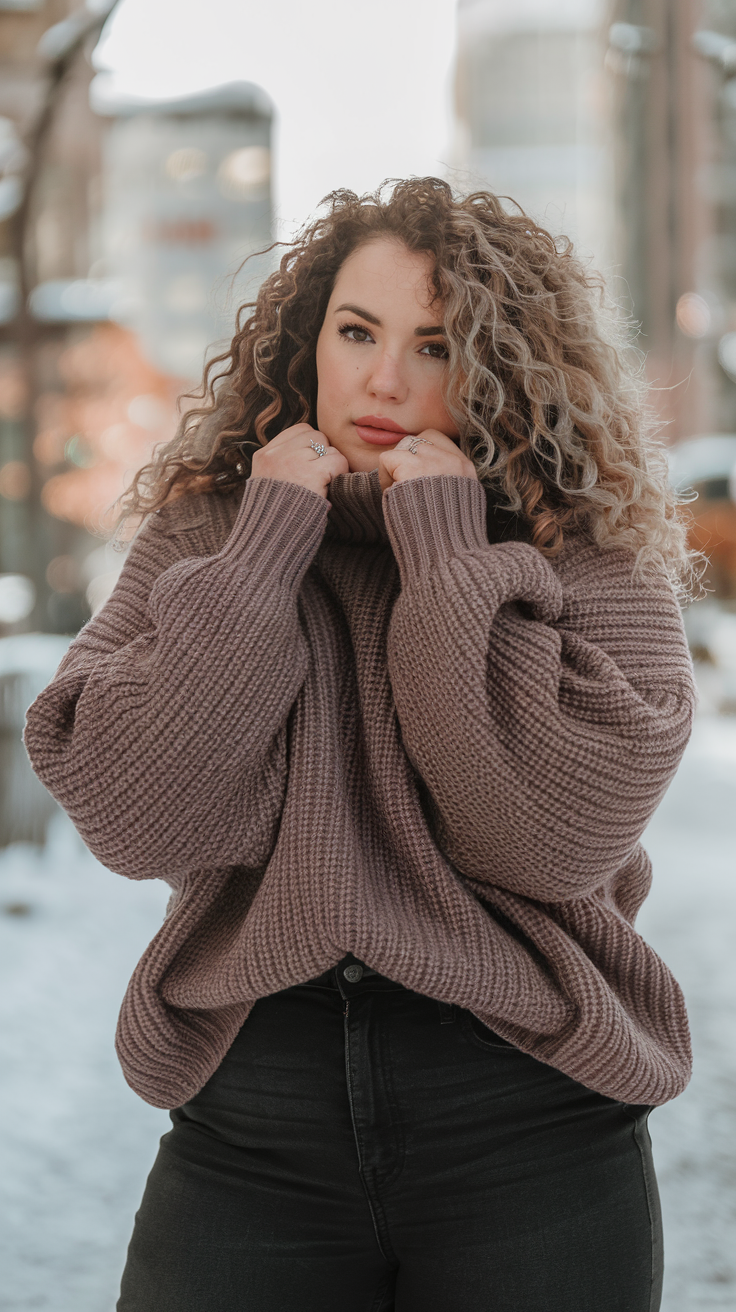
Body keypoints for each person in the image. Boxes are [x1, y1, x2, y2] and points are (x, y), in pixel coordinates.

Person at [25, 178, 696, 1312]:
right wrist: (261, 552)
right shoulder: (208, 533)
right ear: (308, 341)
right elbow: (134, 815)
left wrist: (445, 560)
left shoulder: (588, 554)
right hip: (254, 1113)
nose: (385, 379)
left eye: (435, 345)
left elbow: (548, 838)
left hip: (523, 1111)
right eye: (356, 331)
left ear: (500, 367)